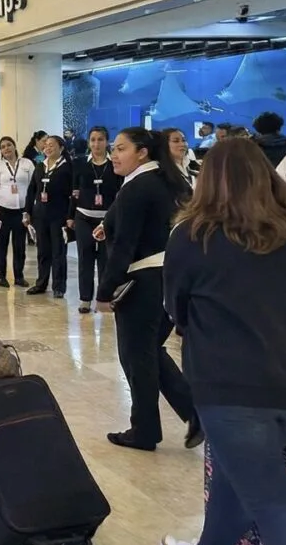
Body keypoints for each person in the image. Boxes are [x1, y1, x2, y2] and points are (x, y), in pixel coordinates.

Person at [160, 138, 286, 545]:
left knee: (271, 501)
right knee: (242, 474)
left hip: (230, 387)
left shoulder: (192, 236)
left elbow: (175, 306)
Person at [95, 128, 200, 451]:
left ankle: (145, 430)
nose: (113, 154)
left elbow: (125, 246)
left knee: (136, 357)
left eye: (121, 149)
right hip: (171, 277)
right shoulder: (171, 182)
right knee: (149, 351)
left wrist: (105, 290)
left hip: (143, 281)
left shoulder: (139, 187)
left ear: (142, 153)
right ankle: (193, 413)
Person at [69, 127, 121, 314]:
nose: (96, 144)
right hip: (84, 216)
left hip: (107, 219)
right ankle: (85, 299)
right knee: (85, 258)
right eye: (93, 140)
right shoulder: (80, 163)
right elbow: (74, 192)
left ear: (107, 142)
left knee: (105, 260)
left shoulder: (115, 164)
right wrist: (70, 216)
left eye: (100, 139)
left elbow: (121, 193)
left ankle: (103, 297)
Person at [23, 135, 72, 298]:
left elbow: (72, 194)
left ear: (61, 148)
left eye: (52, 145)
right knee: (43, 251)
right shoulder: (40, 166)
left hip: (58, 215)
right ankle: (41, 283)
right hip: (40, 215)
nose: (48, 148)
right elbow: (32, 190)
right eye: (46, 145)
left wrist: (70, 215)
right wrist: (27, 211)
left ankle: (59, 286)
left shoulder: (67, 168)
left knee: (58, 252)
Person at [0, 136, 35, 288]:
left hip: (21, 211)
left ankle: (19, 276)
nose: (6, 148)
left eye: (9, 145)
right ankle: (1, 276)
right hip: (3, 211)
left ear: (14, 146)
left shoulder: (27, 164)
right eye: (3, 147)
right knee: (1, 245)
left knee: (20, 245)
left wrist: (31, 209)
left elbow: (33, 186)